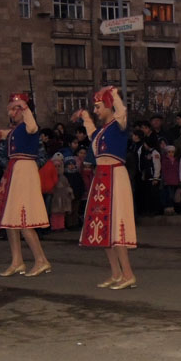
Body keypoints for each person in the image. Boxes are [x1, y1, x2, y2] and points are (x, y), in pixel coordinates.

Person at [74, 86, 137, 290]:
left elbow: (122, 112)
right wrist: (85, 116)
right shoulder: (102, 131)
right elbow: (92, 135)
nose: (96, 110)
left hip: (115, 177)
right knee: (103, 227)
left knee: (116, 224)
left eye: (98, 106)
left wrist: (114, 94)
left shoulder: (119, 125)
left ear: (109, 106)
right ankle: (116, 273)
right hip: (101, 178)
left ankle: (128, 274)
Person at [0, 93, 51, 276]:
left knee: (24, 219)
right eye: (11, 109)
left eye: (16, 109)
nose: (12, 113)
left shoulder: (30, 126)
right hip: (14, 172)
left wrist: (24, 105)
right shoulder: (16, 130)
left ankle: (41, 260)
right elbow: (5, 137)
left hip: (24, 172)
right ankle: (17, 261)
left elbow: (32, 126)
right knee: (10, 219)